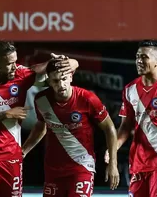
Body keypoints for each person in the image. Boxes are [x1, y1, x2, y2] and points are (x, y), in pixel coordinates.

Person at [0, 41, 78, 197]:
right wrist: (6, 114)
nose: (15, 66)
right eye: (10, 63)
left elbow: (61, 67)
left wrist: (66, 62)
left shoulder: (20, 75)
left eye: (15, 61)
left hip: (12, 160)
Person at [22, 60, 120, 197]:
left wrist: (113, 164)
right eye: (55, 81)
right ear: (49, 82)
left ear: (71, 77)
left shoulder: (87, 98)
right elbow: (41, 126)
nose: (61, 85)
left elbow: (109, 127)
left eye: (64, 79)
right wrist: (23, 151)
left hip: (82, 167)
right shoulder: (41, 100)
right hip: (53, 170)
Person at [104, 40, 157, 197]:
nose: (139, 61)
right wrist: (113, 147)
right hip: (138, 163)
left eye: (144, 57)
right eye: (137, 57)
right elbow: (125, 127)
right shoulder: (129, 89)